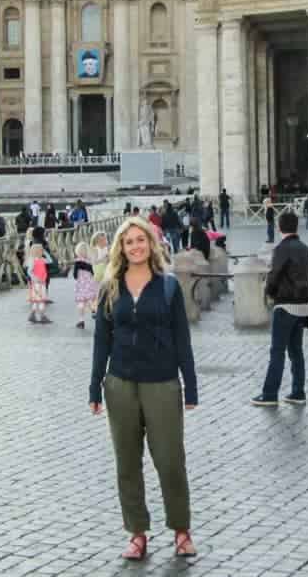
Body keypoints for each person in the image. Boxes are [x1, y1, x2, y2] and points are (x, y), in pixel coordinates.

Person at [89, 216, 198, 560]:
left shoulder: (168, 286)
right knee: (127, 462)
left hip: (162, 383)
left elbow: (182, 338)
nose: (135, 246)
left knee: (169, 461)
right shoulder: (110, 286)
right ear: (120, 248)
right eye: (128, 241)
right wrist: (95, 386)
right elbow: (101, 340)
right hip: (120, 383)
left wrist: (190, 386)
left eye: (141, 240)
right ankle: (137, 532)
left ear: (151, 244)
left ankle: (181, 529)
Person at [252, 210, 308, 408]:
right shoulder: (306, 249)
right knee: (296, 351)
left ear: (279, 227)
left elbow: (274, 275)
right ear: (296, 226)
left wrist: (271, 293)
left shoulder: (281, 248)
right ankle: (298, 392)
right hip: (304, 305)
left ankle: (270, 394)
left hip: (286, 305)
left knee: (277, 351)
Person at [73, 236, 102, 329]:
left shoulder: (77, 262)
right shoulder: (89, 261)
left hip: (81, 284)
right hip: (89, 283)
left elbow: (75, 274)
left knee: (81, 303)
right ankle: (96, 313)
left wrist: (77, 278)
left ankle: (81, 320)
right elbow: (92, 271)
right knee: (91, 301)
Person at [27, 241, 52, 324]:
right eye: (41, 250)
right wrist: (35, 278)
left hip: (42, 282)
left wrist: (45, 252)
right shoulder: (33, 261)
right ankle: (42, 316)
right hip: (37, 283)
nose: (42, 251)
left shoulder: (42, 259)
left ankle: (33, 314)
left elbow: (50, 260)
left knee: (38, 300)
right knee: (40, 300)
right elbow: (29, 271)